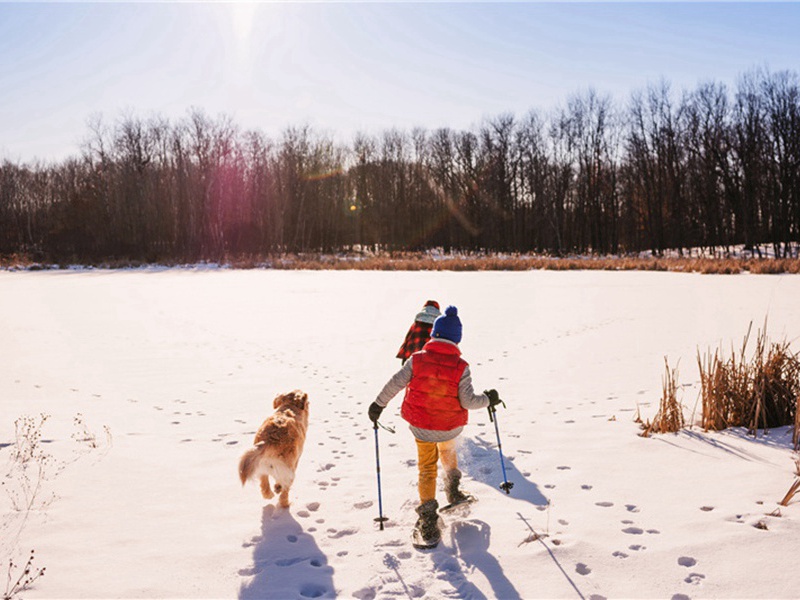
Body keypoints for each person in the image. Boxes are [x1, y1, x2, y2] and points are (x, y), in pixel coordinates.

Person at [368, 305, 502, 545]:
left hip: (422, 427)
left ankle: (428, 518)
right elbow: (469, 401)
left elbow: (395, 383)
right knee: (448, 450)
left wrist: (378, 405)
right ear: (456, 339)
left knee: (427, 468)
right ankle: (453, 490)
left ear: (434, 335)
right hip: (449, 426)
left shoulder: (417, 359)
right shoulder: (462, 366)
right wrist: (489, 399)